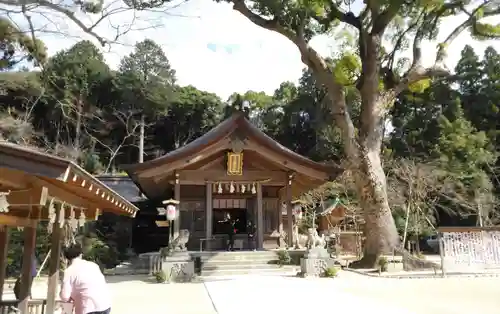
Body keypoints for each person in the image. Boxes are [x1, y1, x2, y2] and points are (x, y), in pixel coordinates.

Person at [60, 243, 111, 314]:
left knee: (68, 303)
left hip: (87, 308)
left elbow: (65, 297)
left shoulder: (69, 271)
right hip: (105, 305)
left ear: (66, 257)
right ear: (80, 255)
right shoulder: (94, 265)